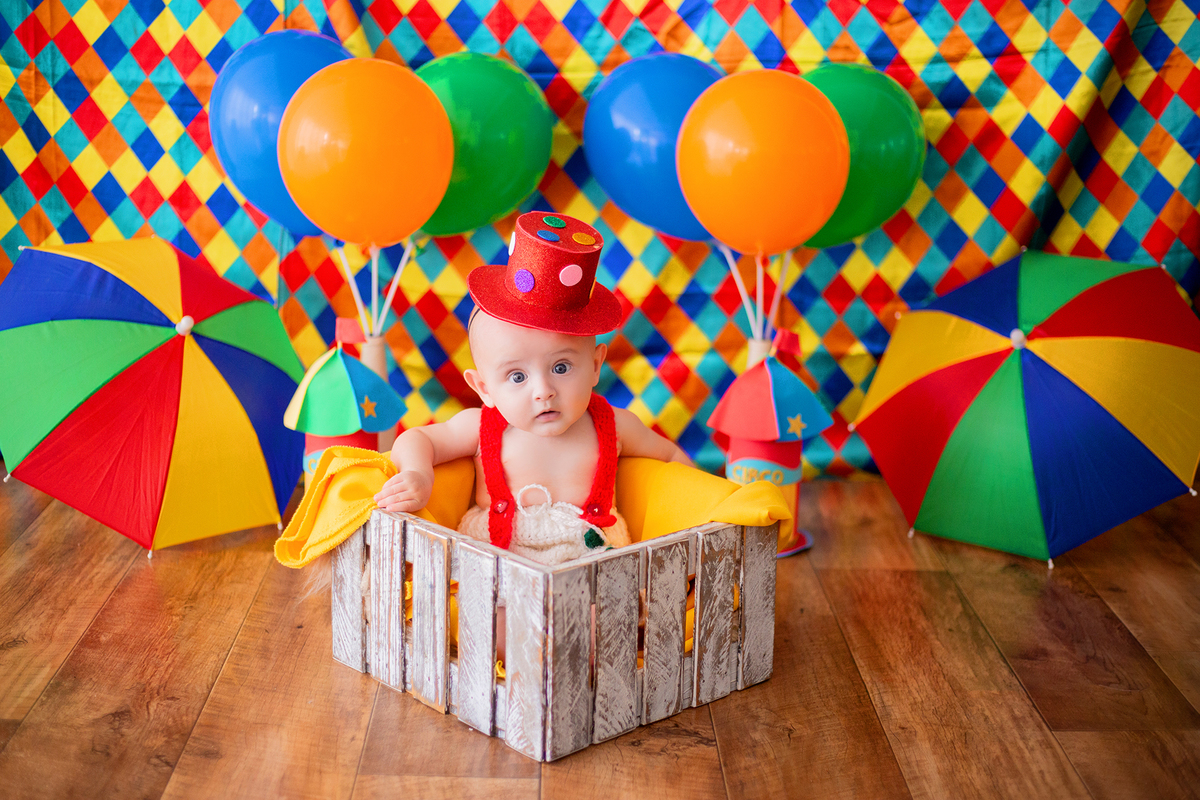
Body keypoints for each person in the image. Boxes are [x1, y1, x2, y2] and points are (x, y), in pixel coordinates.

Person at [373, 211, 691, 565]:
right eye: (517, 377)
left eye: (561, 367)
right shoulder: (481, 427)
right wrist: (418, 474)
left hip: (594, 563)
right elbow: (418, 439)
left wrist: (698, 508)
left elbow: (673, 460)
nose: (544, 391)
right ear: (484, 388)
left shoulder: (616, 426)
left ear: (595, 365)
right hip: (501, 563)